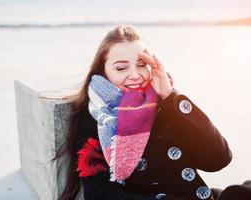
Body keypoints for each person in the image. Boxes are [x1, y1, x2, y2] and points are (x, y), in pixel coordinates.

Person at [53, 25, 251, 200]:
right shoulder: (96, 119)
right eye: (121, 67)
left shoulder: (166, 106)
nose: (135, 75)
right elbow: (99, 194)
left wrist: (171, 96)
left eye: (142, 64)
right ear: (103, 71)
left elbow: (218, 159)